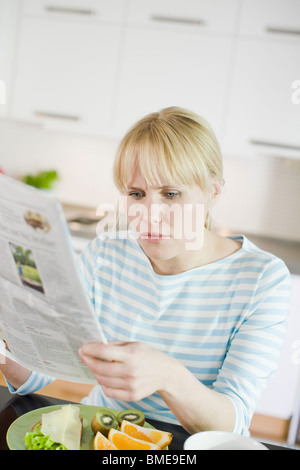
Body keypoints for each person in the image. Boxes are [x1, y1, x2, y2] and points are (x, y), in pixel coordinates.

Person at [0, 107, 290, 436]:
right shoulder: (105, 254)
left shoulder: (261, 280)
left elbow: (232, 423)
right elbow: (37, 375)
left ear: (214, 192)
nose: (150, 215)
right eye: (136, 194)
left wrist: (168, 375)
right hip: (103, 434)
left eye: (170, 194)